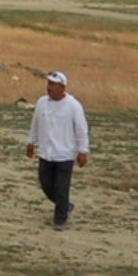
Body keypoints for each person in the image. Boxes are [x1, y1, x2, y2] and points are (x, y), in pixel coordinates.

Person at [26, 71, 90, 230]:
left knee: (62, 188)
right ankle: (65, 205)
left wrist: (83, 151)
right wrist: (31, 142)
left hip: (65, 154)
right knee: (46, 185)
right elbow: (35, 123)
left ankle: (60, 219)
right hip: (46, 153)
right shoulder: (41, 102)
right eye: (48, 84)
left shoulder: (74, 106)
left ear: (62, 87)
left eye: (53, 84)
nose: (49, 87)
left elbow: (81, 130)